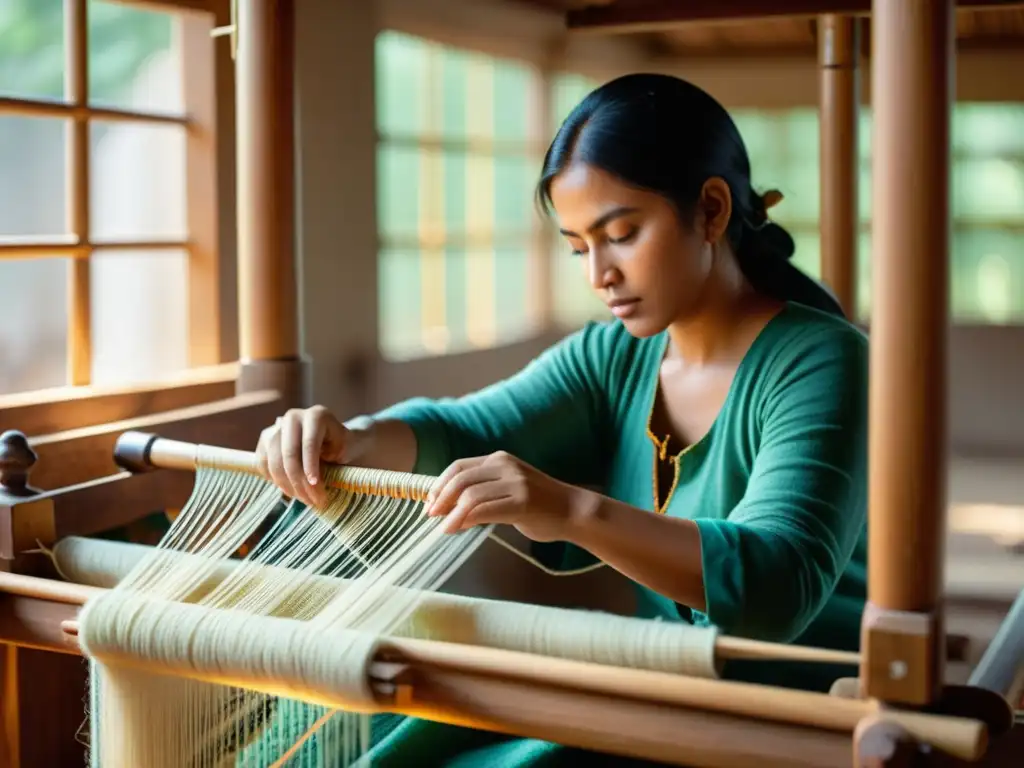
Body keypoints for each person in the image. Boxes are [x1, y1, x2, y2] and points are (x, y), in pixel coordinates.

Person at [252, 72, 869, 766]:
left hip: (793, 719)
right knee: (373, 720)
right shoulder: (613, 358)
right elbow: (467, 430)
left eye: (622, 234)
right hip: (670, 690)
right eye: (579, 247)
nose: (598, 274)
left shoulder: (823, 360)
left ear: (712, 210)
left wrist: (569, 511)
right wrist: (352, 437)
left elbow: (778, 581)